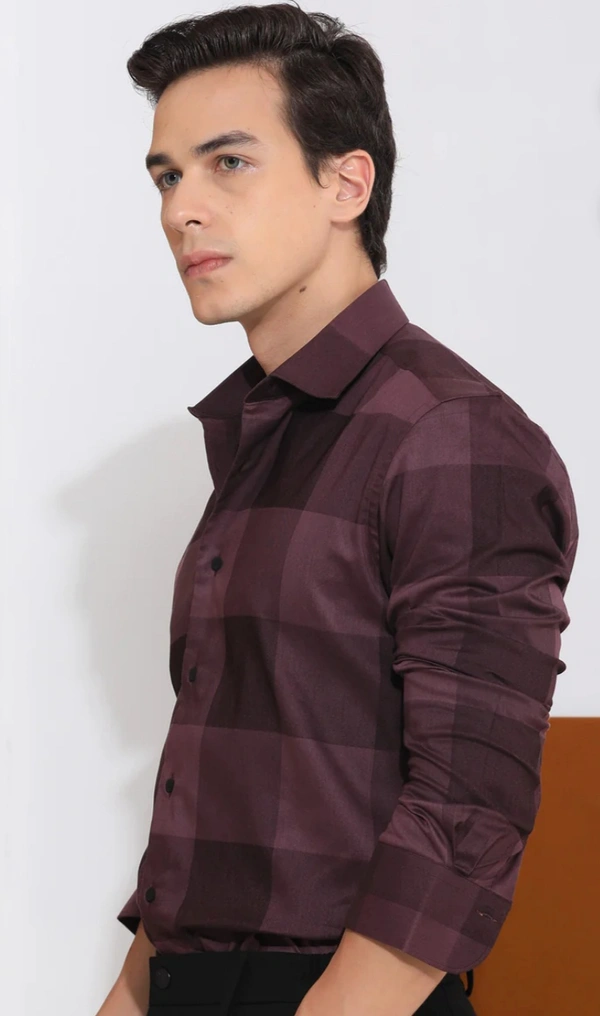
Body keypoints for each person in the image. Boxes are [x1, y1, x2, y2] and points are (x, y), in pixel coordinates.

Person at [96, 4, 578, 1015]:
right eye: (167, 176)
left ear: (346, 184)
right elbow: (224, 802)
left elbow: (467, 812)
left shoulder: (450, 433)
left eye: (229, 163)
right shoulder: (266, 438)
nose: (182, 210)